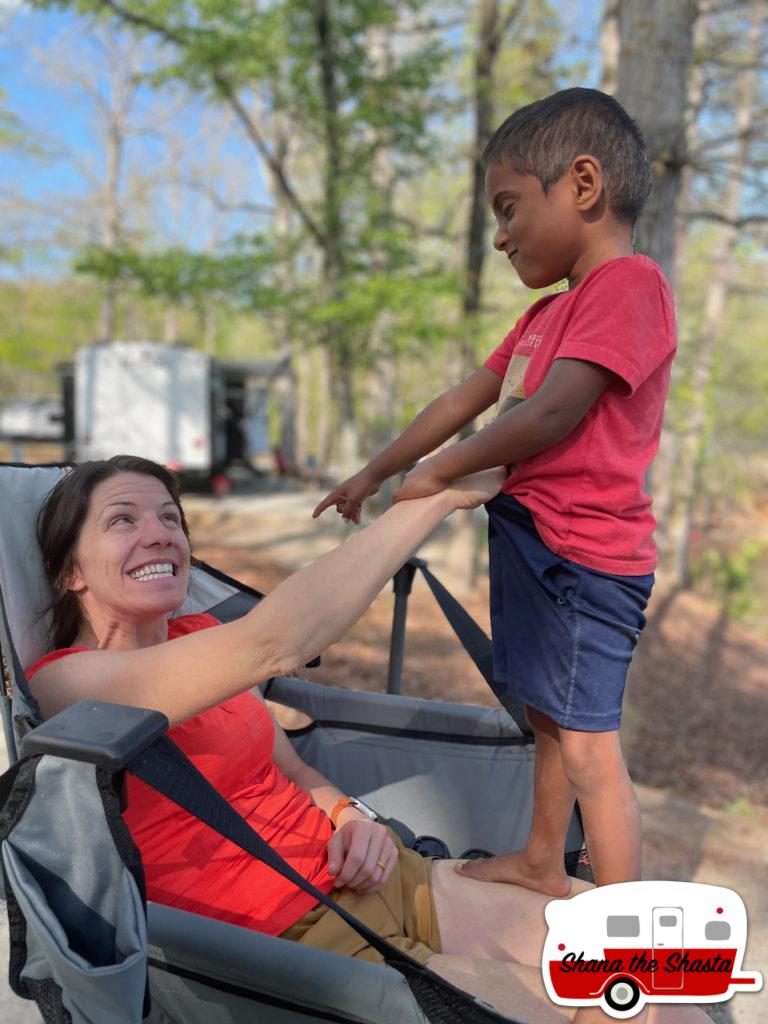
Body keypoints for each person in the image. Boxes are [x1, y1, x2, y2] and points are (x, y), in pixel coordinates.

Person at [25, 456, 706, 1024]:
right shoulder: (67, 686)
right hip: (298, 941)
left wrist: (350, 816)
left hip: (382, 876)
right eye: (124, 520)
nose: (160, 534)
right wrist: (437, 496)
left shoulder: (201, 639)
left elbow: (288, 766)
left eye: (170, 518)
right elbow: (279, 640)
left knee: (662, 971)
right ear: (70, 573)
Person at [314, 88, 677, 905]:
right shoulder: (547, 315)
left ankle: (636, 960)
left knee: (590, 751)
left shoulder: (629, 285)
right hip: (531, 542)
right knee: (547, 722)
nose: (500, 234)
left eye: (510, 209)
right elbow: (462, 400)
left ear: (583, 186)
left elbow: (553, 414)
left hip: (586, 562)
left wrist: (443, 474)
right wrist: (375, 471)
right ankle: (543, 863)